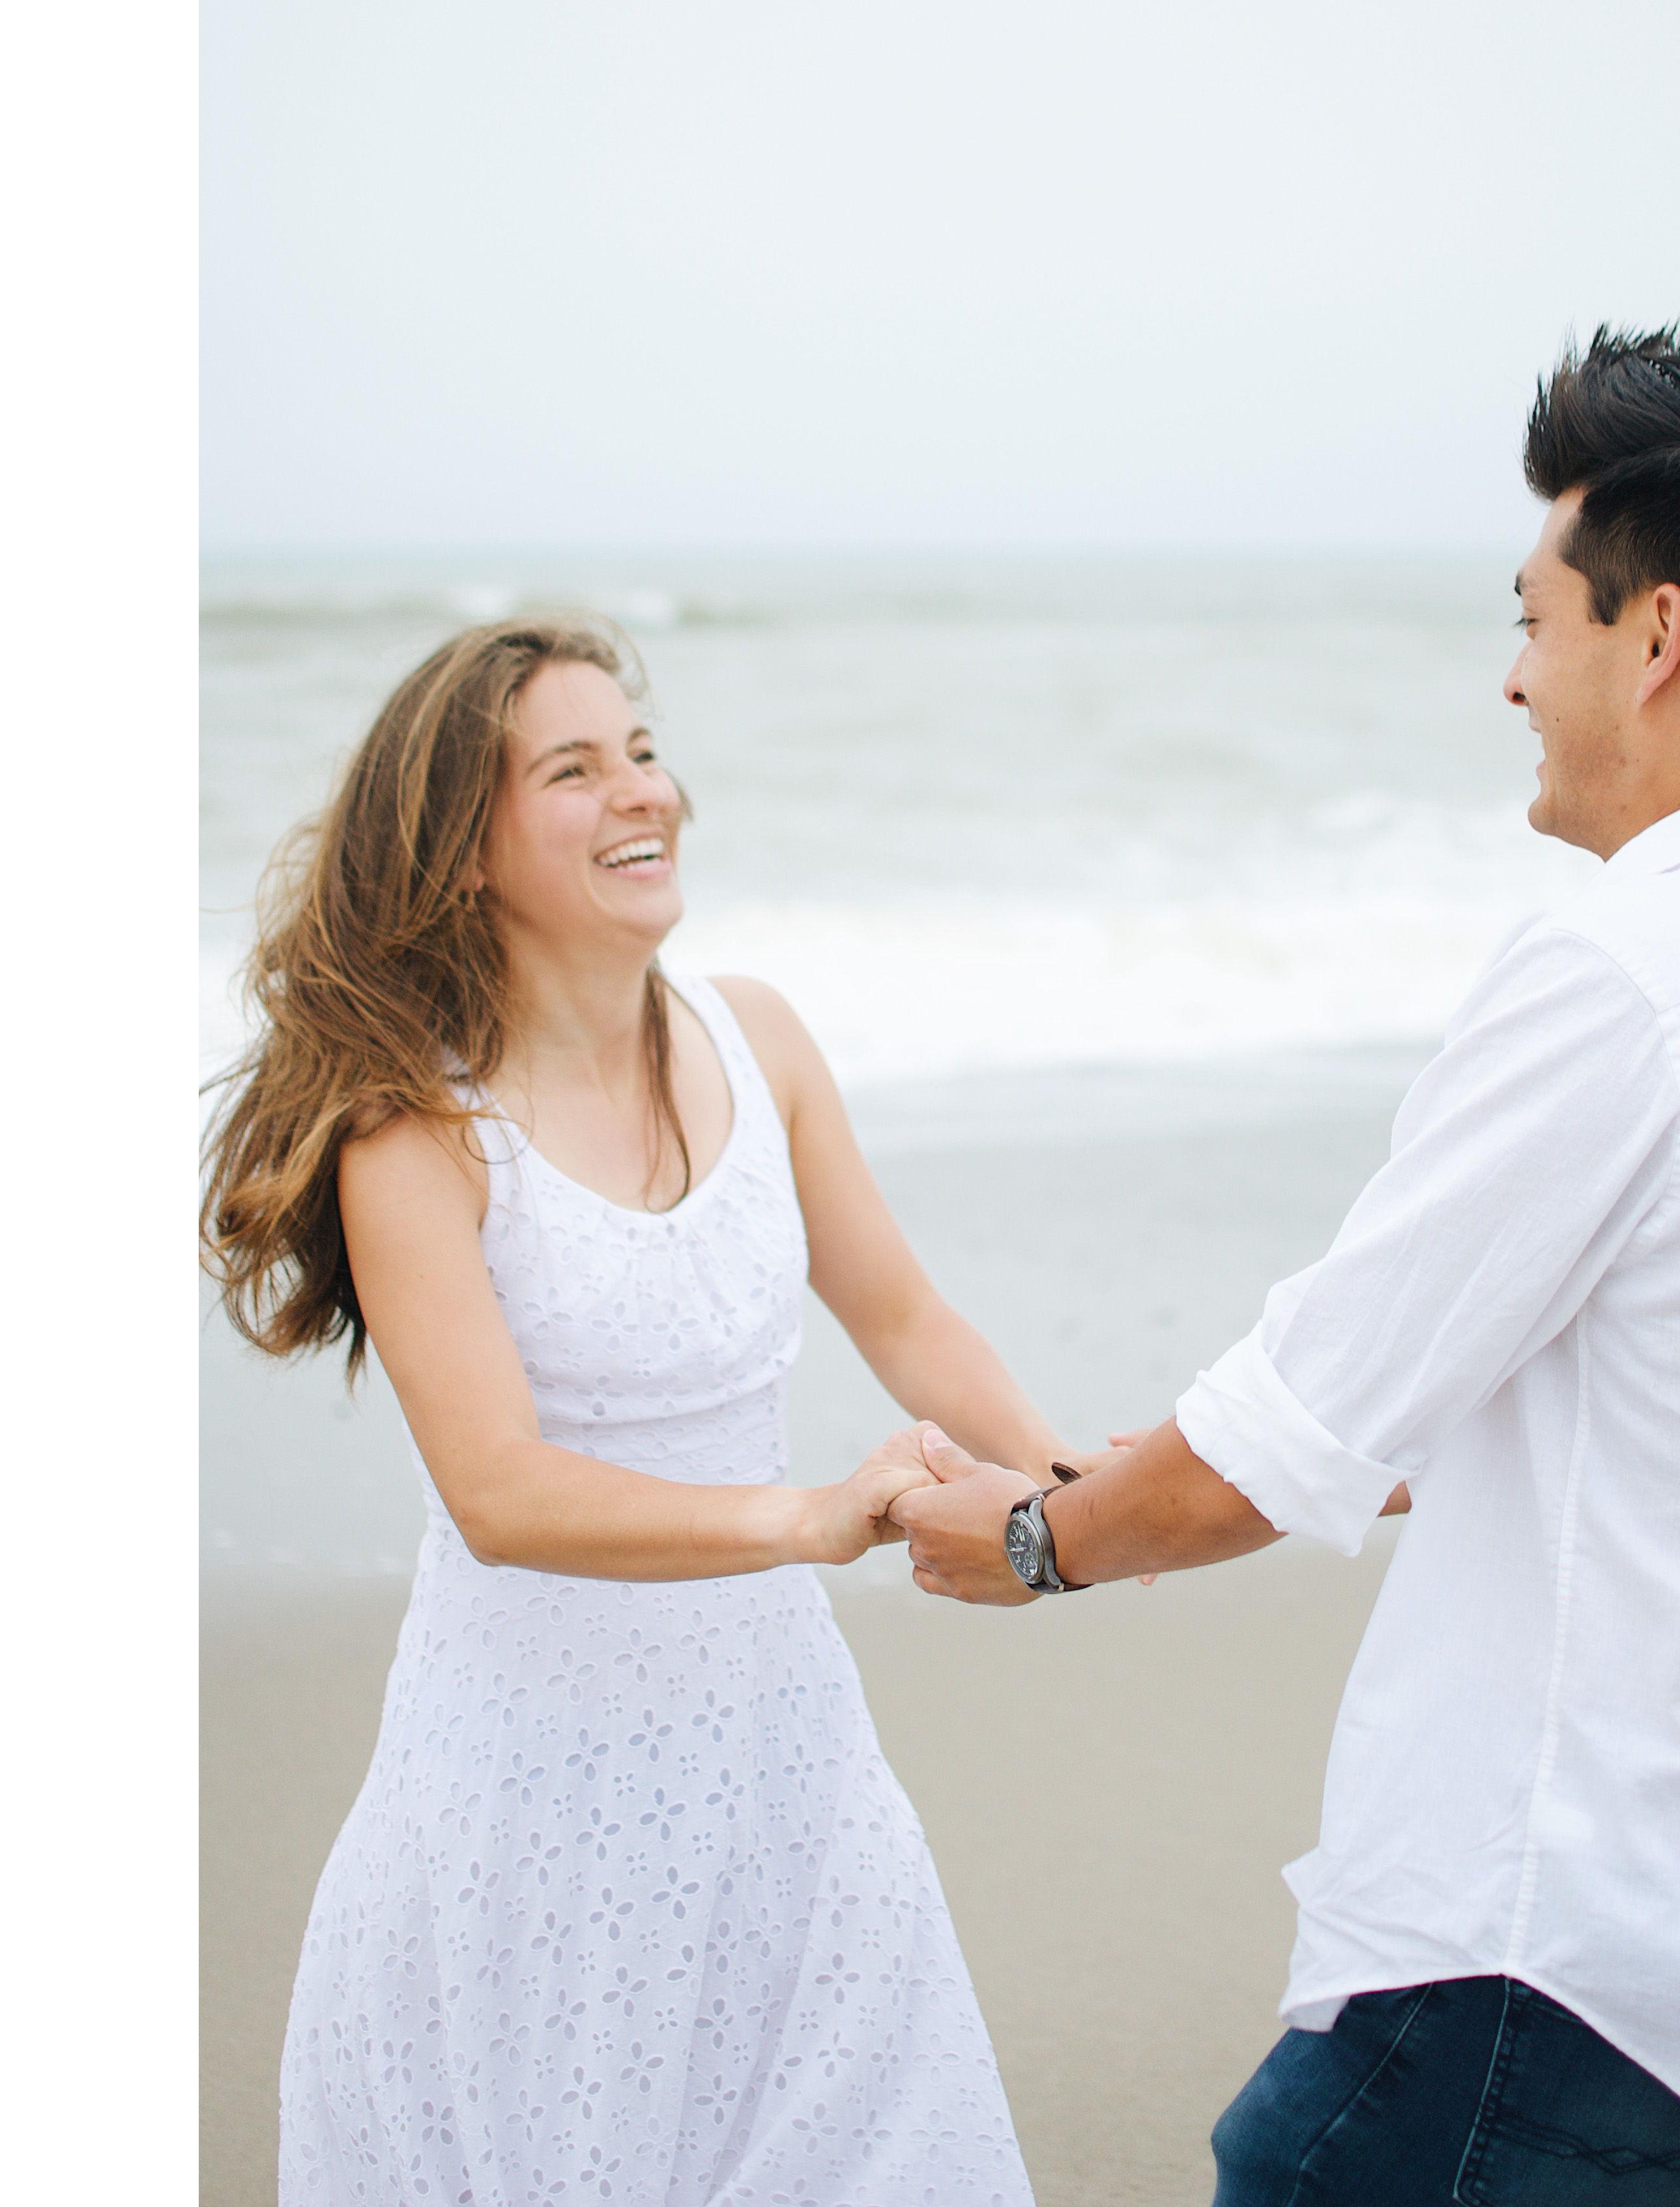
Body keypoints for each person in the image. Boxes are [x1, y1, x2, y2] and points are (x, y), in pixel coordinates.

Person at [895, 319, 1680, 2206]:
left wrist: (1030, 1541)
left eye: (1534, 619)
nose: (1512, 676)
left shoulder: (1622, 973)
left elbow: (1298, 1433)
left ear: (1657, 637)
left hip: (1551, 1967)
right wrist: (1161, 1460)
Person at [203, 616, 1073, 2207]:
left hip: (783, 1766)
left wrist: (1073, 1482)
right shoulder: (416, 1130)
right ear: (466, 848)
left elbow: (902, 1315)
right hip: (524, 1802)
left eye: (646, 751)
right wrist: (809, 1517)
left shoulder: (761, 1039)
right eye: (574, 769)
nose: (642, 792)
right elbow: (499, 1490)